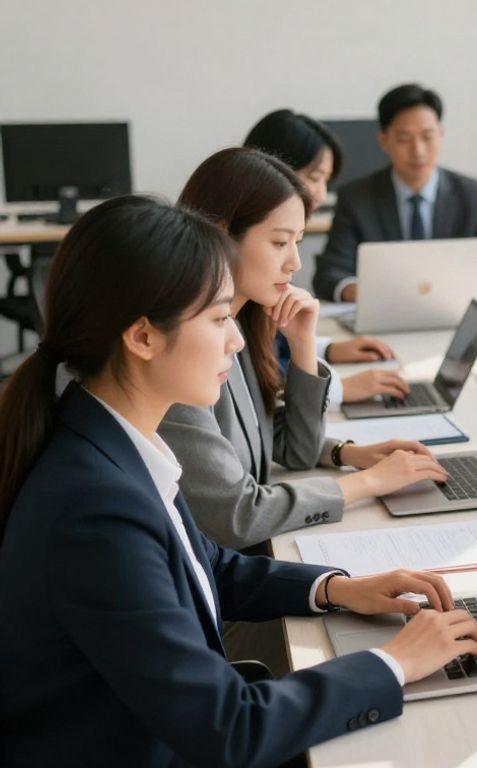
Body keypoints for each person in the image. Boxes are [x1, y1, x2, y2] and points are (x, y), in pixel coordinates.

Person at [0, 196, 477, 766]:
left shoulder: (112, 441)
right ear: (142, 337)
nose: (235, 339)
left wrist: (334, 588)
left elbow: (203, 565)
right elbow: (231, 728)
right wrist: (394, 664)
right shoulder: (95, 510)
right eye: (217, 317)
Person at [164, 147, 447, 550]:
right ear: (222, 234)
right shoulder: (182, 347)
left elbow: (291, 450)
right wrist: (369, 483)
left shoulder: (242, 319)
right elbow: (237, 515)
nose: (295, 262)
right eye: (280, 243)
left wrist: (302, 345)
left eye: (298, 241)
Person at [244, 108, 412, 405]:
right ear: (272, 170)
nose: (321, 195)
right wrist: (341, 389)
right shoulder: (243, 268)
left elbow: (271, 345)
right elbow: (260, 382)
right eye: (314, 177)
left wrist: (327, 349)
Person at [314, 83, 477, 305]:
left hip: (455, 313)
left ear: (441, 135)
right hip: (386, 315)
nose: (418, 150)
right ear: (384, 141)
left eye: (427, 136)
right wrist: (358, 291)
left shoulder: (472, 195)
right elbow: (329, 275)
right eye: (404, 138)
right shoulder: (356, 197)